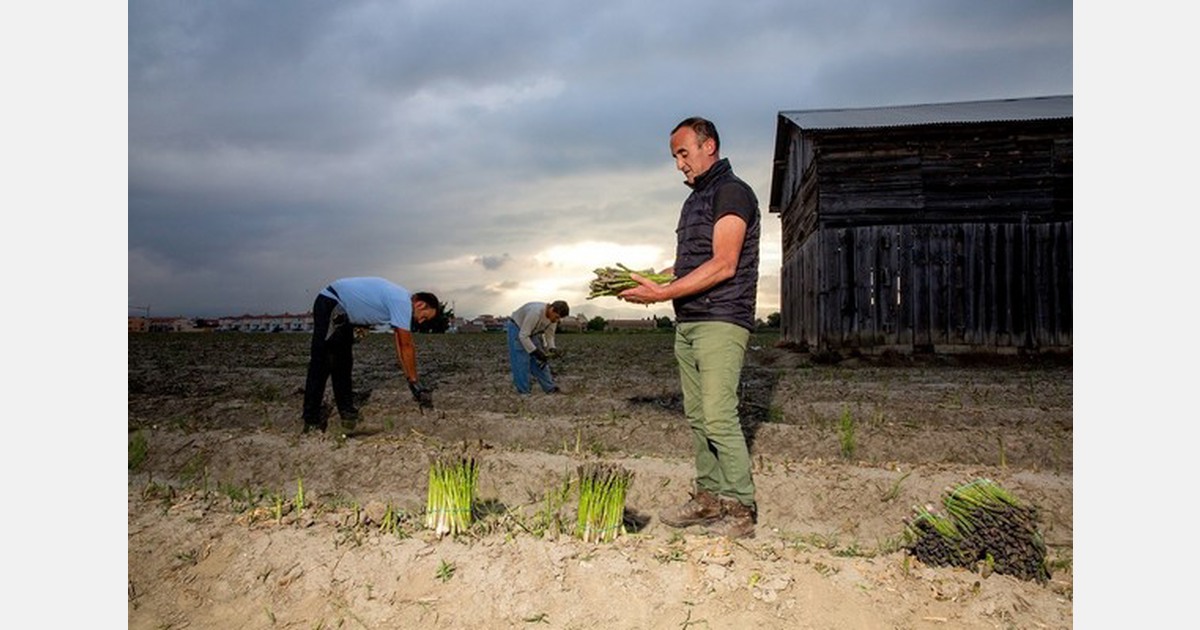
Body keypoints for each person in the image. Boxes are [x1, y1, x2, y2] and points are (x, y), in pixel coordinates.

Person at [618, 117, 761, 539]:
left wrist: (662, 297)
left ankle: (740, 508)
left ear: (709, 146)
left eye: (684, 153)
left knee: (718, 417)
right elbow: (689, 264)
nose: (679, 163)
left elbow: (724, 263)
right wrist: (651, 280)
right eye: (675, 156)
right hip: (691, 321)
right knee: (699, 418)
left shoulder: (732, 192)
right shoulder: (696, 200)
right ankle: (709, 497)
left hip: (721, 319)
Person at [302, 277, 440, 434]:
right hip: (331, 303)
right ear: (420, 304)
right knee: (322, 362)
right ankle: (311, 421)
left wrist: (409, 378)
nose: (421, 322)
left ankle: (348, 418)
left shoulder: (401, 300)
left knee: (343, 364)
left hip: (341, 310)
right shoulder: (402, 302)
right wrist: (415, 381)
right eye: (423, 316)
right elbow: (406, 345)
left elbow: (399, 344)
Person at [506, 300, 570, 395]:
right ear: (551, 309)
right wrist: (535, 352)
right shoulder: (535, 312)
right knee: (521, 361)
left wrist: (552, 348)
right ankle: (524, 392)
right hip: (517, 328)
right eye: (556, 317)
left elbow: (550, 335)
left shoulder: (553, 318)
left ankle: (550, 389)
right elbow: (523, 335)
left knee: (541, 362)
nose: (556, 320)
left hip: (532, 332)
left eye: (559, 318)